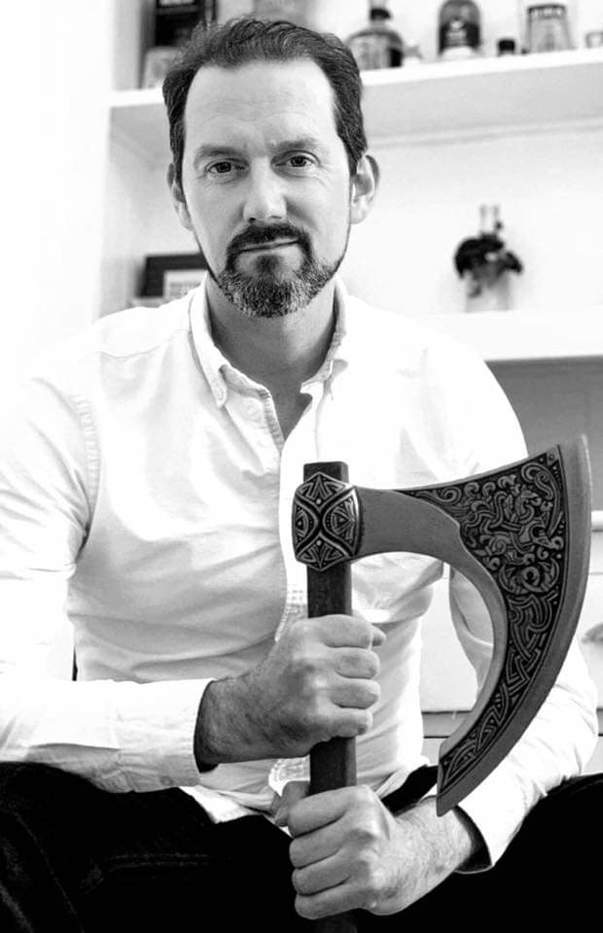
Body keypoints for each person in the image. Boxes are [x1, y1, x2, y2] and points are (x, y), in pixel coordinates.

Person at [0, 16, 600, 932]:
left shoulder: (444, 389)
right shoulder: (73, 400)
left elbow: (551, 688)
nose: (263, 202)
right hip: (151, 846)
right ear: (179, 192)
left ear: (358, 182)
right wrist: (224, 716)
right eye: (222, 166)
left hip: (386, 831)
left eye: (296, 159)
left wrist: (428, 841)